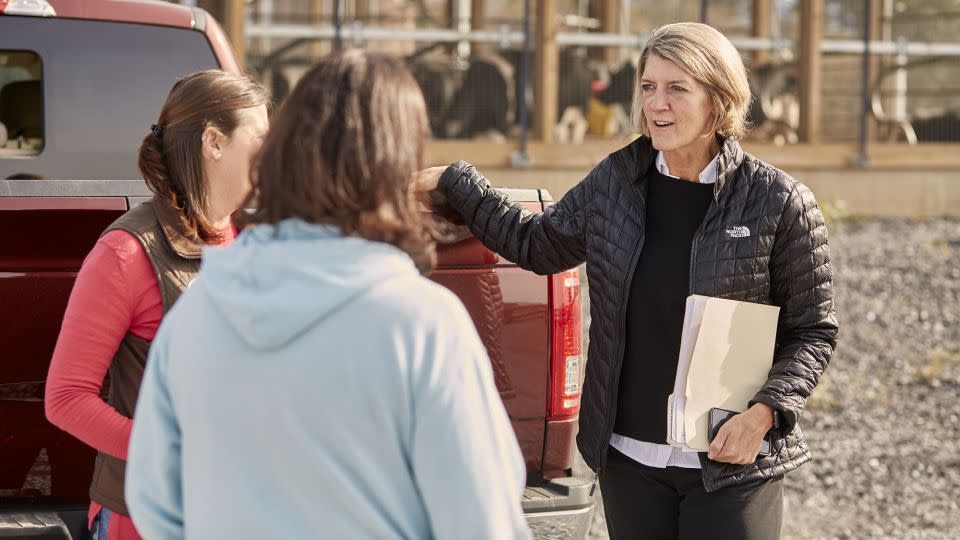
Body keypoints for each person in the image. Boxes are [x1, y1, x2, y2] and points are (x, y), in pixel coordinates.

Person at [417, 22, 839, 540]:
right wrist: (455, 181)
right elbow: (537, 245)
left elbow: (813, 331)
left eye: (677, 88)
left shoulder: (778, 201)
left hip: (733, 467)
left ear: (720, 100)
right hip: (629, 464)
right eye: (648, 87)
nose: (656, 104)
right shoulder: (615, 183)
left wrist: (765, 415)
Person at [124, 50, 532, 540]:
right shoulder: (422, 326)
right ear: (395, 165)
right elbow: (481, 523)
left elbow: (154, 500)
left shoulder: (198, 309)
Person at [44, 69, 269, 540]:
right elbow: (65, 399)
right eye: (262, 137)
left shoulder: (240, 240)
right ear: (214, 142)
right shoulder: (125, 252)